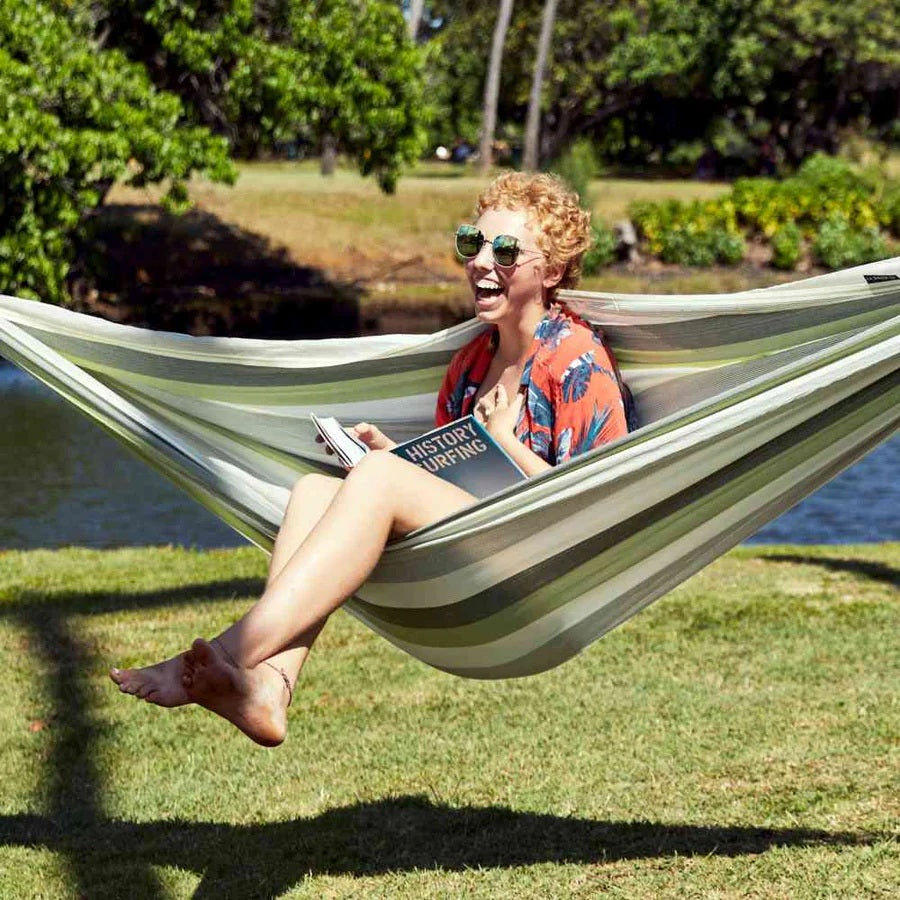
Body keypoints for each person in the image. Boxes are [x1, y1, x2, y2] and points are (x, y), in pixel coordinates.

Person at [110, 172, 631, 746]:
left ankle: (221, 657)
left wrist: (500, 442)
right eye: (472, 243)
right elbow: (459, 481)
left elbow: (596, 500)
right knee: (314, 488)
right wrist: (399, 459)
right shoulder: (467, 365)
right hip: (469, 554)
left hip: (540, 567)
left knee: (380, 479)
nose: (483, 261)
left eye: (505, 250)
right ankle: (272, 686)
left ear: (551, 271)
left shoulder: (577, 358)